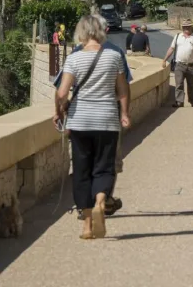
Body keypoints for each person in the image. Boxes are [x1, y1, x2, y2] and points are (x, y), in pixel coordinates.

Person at [53, 16, 130, 239]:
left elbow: (61, 92)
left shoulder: (74, 59)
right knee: (104, 167)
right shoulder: (114, 56)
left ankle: (87, 225)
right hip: (106, 120)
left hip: (80, 122)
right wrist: (124, 114)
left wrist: (59, 111)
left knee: (82, 171)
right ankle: (100, 202)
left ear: (81, 33)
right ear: (100, 31)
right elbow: (122, 91)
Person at [165, 20, 193, 107]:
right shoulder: (177, 36)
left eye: (188, 27)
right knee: (179, 84)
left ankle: (192, 101)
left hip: (191, 65)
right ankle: (179, 102)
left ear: (191, 27)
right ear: (182, 28)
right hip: (179, 64)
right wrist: (164, 59)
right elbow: (171, 48)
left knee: (192, 85)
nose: (187, 28)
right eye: (185, 27)